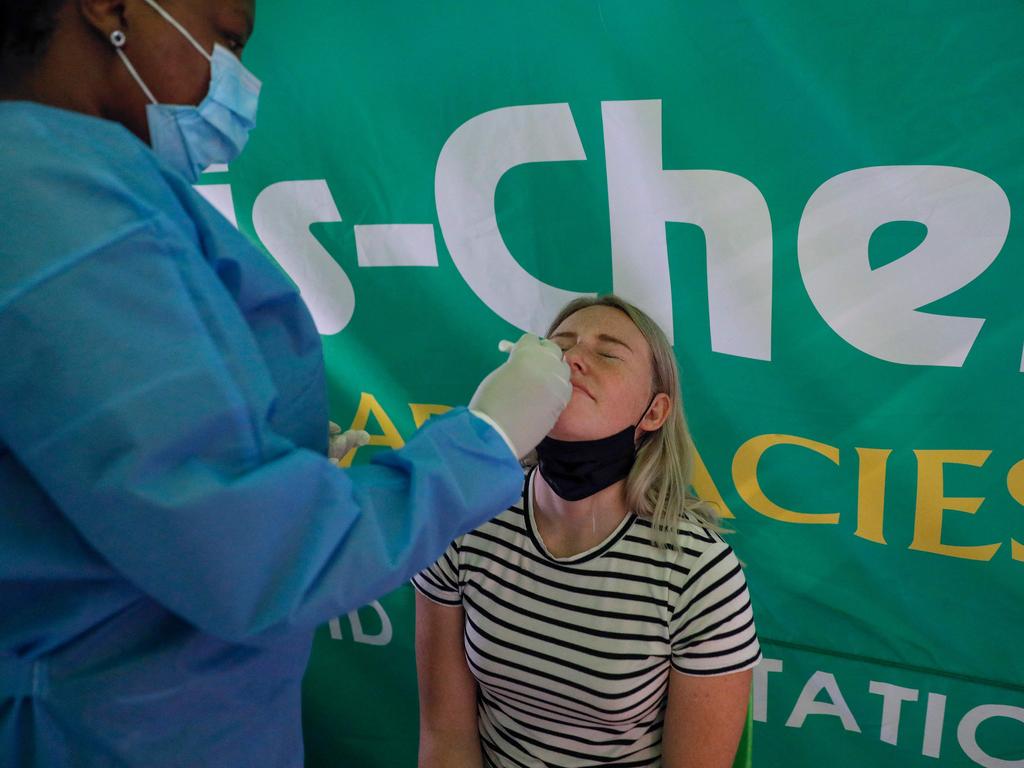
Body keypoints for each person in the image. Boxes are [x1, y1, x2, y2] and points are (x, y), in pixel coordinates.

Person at [0, 1, 572, 765]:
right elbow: (249, 557)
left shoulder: (94, 185)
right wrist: (485, 440)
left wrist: (271, 458)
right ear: (109, 7)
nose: (238, 80)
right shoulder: (48, 196)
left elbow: (129, 461)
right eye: (227, 39)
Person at [414, 295, 761, 768]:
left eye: (608, 353)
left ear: (654, 413)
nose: (574, 358)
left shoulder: (699, 573)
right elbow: (445, 735)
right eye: (559, 348)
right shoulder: (463, 521)